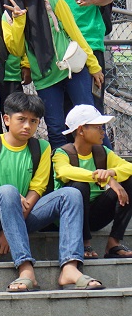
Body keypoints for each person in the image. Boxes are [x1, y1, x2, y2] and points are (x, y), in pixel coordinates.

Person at [0, 93, 99, 291]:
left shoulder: (42, 147)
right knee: (8, 191)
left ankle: (70, 267)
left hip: (26, 212)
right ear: (6, 119)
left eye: (33, 121)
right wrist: (7, 221)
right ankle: (25, 268)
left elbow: (37, 189)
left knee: (71, 194)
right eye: (21, 119)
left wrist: (9, 230)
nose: (27, 126)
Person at [2, 0, 102, 148]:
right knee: (55, 128)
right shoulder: (7, 15)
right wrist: (19, 21)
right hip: (45, 77)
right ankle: (62, 165)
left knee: (90, 121)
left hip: (72, 70)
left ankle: (105, 162)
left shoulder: (52, 1)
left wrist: (93, 65)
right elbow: (17, 49)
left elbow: (75, 34)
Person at [53, 105, 132, 260]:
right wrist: (104, 178)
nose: (103, 132)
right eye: (98, 127)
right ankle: (84, 243)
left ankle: (113, 243)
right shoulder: (62, 153)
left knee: (129, 180)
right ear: (81, 130)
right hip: (69, 217)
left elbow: (128, 167)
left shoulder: (102, 152)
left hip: (95, 215)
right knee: (79, 186)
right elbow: (64, 171)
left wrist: (112, 173)